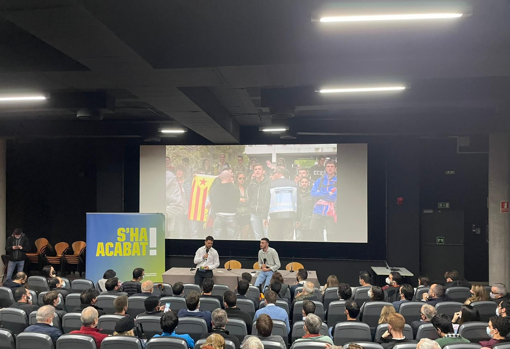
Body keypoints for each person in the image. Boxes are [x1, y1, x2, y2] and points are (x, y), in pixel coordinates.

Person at [268, 166, 301, 241]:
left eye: (274, 173)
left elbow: (267, 202)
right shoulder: (293, 184)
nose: (273, 175)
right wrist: (298, 218)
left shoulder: (271, 185)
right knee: (288, 239)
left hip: (274, 217)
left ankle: (275, 252)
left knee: (274, 239)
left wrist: (264, 217)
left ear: (278, 174)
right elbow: (299, 203)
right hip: (289, 216)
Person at [310, 160, 337, 241]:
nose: (330, 169)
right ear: (325, 168)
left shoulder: (338, 180)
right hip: (317, 211)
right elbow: (312, 194)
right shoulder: (320, 180)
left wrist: (320, 194)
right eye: (328, 166)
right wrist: (328, 193)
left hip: (331, 212)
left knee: (331, 235)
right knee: (314, 234)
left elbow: (335, 197)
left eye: (332, 166)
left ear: (335, 168)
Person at [210, 170, 240, 240]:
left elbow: (212, 200)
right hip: (231, 216)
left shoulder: (214, 188)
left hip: (218, 215)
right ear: (228, 178)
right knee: (231, 240)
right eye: (231, 177)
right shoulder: (235, 189)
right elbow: (237, 201)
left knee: (216, 239)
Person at [247, 164, 271, 240]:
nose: (257, 171)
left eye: (259, 169)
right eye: (256, 169)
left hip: (265, 213)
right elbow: (250, 197)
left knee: (267, 235)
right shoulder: (251, 184)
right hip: (254, 213)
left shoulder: (269, 183)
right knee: (258, 237)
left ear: (263, 171)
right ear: (253, 172)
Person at [166, 169, 185, 238]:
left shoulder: (168, 175)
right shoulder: (175, 182)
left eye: (181, 170)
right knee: (170, 229)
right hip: (173, 207)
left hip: (174, 207)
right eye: (177, 171)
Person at [235, 172, 251, 240]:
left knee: (246, 232)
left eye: (243, 178)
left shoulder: (247, 188)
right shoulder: (234, 188)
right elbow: (233, 201)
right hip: (238, 213)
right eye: (240, 178)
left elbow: (250, 200)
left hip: (247, 212)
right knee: (238, 231)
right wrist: (240, 200)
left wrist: (243, 200)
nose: (242, 180)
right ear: (237, 179)